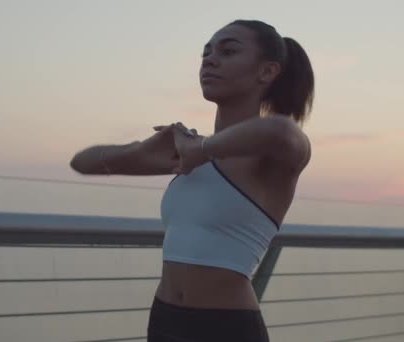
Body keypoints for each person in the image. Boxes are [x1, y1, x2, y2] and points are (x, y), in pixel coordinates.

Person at [71, 19, 314, 342]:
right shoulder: (189, 154)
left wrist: (201, 149)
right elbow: (83, 162)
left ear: (267, 72)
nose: (210, 60)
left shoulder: (272, 159)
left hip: (225, 327)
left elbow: (284, 131)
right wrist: (140, 150)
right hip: (164, 320)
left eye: (228, 51)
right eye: (206, 53)